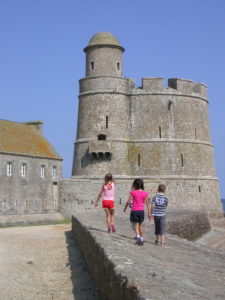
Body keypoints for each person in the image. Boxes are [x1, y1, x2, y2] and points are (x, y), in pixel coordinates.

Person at [124, 178, 151, 246]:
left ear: (135, 185)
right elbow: (147, 204)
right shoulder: (145, 193)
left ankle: (138, 237)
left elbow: (128, 202)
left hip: (135, 211)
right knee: (140, 225)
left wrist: (125, 208)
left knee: (136, 225)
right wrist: (149, 213)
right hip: (141, 211)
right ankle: (142, 239)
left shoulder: (133, 192)